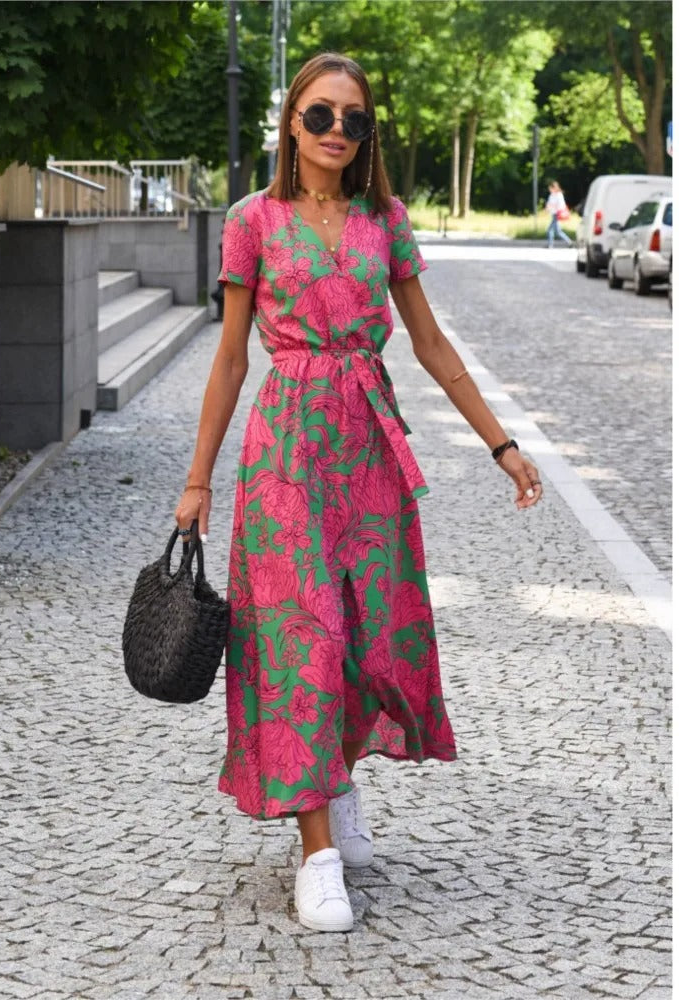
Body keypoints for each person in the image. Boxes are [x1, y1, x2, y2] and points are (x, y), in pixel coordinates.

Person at [175, 52, 543, 934]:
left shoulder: (387, 222)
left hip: (372, 452)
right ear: (291, 123)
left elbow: (432, 344)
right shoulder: (252, 221)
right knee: (299, 645)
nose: (336, 130)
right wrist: (197, 479)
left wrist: (502, 444)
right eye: (320, 114)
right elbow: (230, 360)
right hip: (284, 455)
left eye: (353, 119)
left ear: (368, 133)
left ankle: (335, 781)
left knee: (373, 647)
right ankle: (317, 855)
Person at [545, 180, 573, 248]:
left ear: (554, 188)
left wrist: (552, 206)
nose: (549, 190)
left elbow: (561, 205)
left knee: (550, 230)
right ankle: (569, 242)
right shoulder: (552, 195)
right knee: (558, 231)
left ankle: (550, 245)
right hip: (553, 214)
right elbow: (549, 203)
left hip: (557, 214)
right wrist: (548, 207)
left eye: (550, 188)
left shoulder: (559, 195)